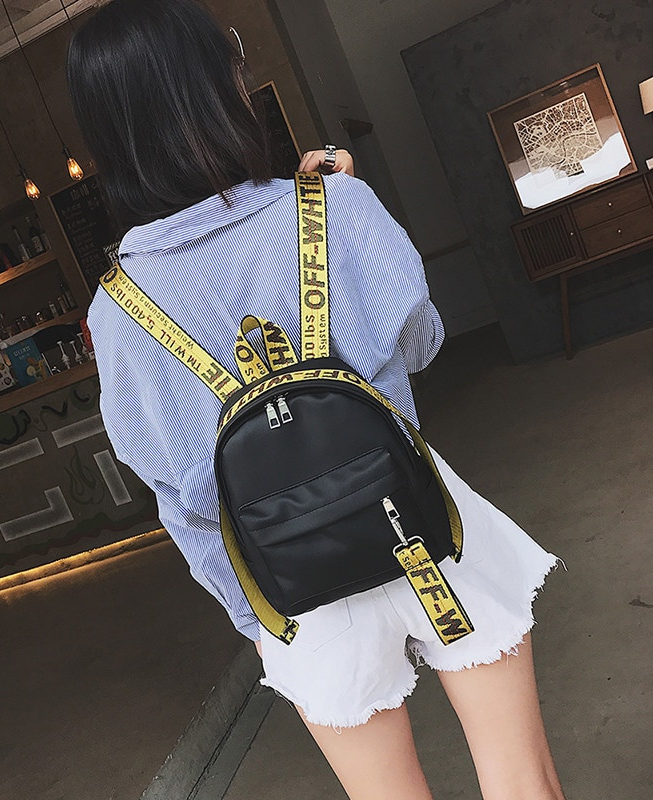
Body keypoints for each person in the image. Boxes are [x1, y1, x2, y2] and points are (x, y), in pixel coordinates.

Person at [67, 2, 565, 798]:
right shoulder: (333, 205)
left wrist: (255, 621)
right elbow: (421, 344)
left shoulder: (115, 313)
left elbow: (182, 498)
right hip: (422, 527)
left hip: (293, 589)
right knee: (520, 782)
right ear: (217, 86)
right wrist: (348, 218)